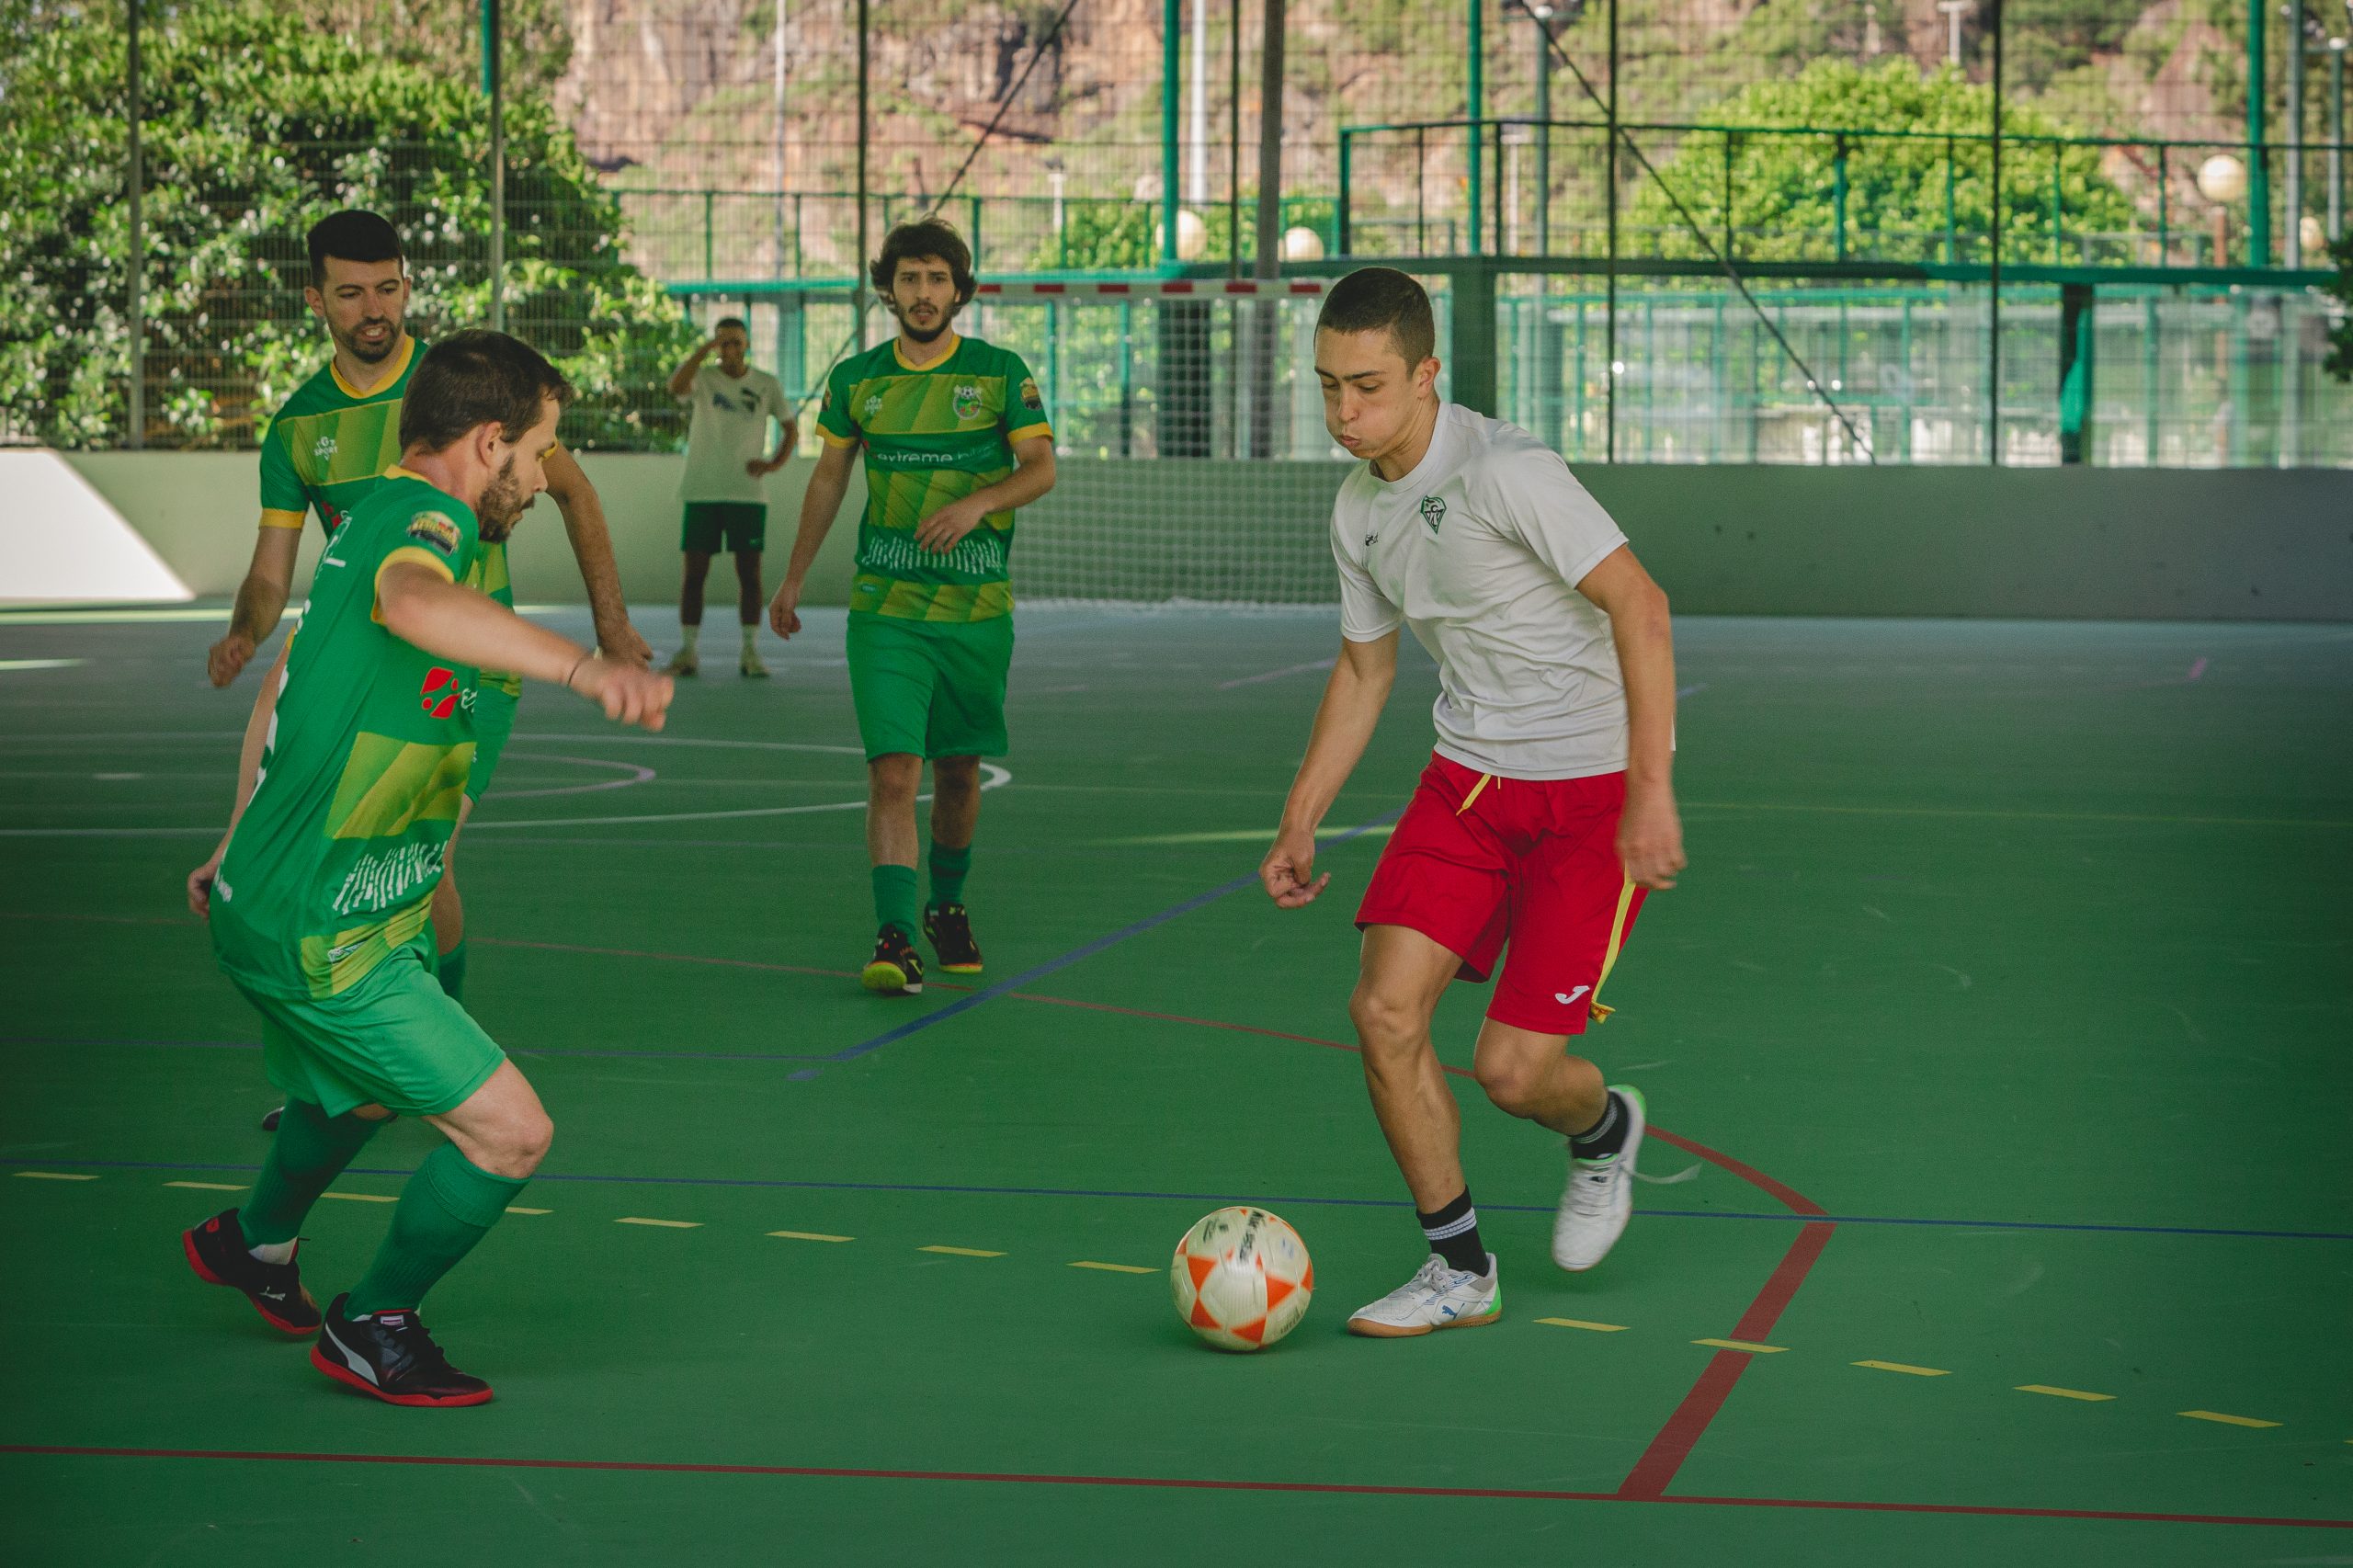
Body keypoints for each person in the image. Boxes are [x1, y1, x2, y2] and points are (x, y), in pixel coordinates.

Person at [182, 330, 674, 1405]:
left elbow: (288, 682)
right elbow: (411, 603)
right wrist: (585, 666)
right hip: (324, 926)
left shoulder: (370, 523)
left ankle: (252, 1240)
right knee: (510, 1131)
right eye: (539, 453)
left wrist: (235, 833)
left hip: (344, 897)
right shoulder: (420, 525)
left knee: (361, 1094)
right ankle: (372, 1320)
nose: (545, 480)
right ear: (490, 442)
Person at [1258, 267, 1687, 1339]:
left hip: (1588, 793)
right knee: (1383, 1010)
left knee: (1511, 1072)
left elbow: (1641, 602)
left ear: (1425, 374)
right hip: (1469, 783)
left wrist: (1650, 792)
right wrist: (1300, 813)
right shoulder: (1358, 509)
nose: (1344, 414)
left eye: (1366, 387)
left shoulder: (1508, 472)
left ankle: (1599, 1130)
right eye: (1326, 388)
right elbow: (1364, 673)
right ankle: (1459, 1267)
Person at [205, 210, 648, 1109]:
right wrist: (246, 628)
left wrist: (608, 632)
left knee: (421, 857)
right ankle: (353, 1062)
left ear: (407, 284)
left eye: (389, 285)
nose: (375, 305)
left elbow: (573, 492)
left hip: (472, 672)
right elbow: (271, 570)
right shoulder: (301, 427)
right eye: (352, 290)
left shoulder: (473, 391)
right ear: (316, 299)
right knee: (328, 855)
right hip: (370, 666)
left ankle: (426, 1039)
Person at [768, 218, 1055, 994]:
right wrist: (794, 576)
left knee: (958, 771)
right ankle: (894, 934)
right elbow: (828, 479)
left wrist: (977, 505)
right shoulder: (858, 379)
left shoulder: (999, 373)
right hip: (885, 608)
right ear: (886, 288)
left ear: (959, 289)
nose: (922, 293)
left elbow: (1040, 467)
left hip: (974, 609)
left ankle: (947, 905)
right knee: (893, 771)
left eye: (937, 279)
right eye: (909, 279)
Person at [665, 317, 797, 677]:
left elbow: (790, 428)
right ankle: (689, 650)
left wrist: (772, 465)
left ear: (748, 344)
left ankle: (751, 651)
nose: (731, 349)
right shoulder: (704, 380)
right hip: (702, 490)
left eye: (737, 342)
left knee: (749, 575)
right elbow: (674, 385)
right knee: (694, 574)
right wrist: (704, 350)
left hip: (746, 495)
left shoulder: (766, 384)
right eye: (724, 343)